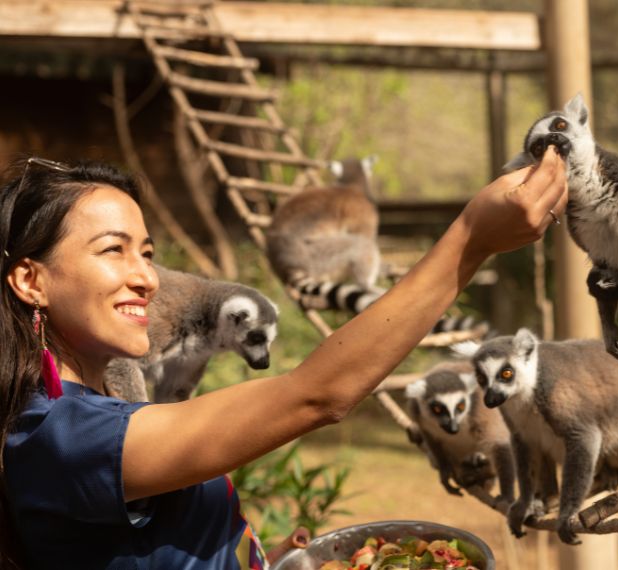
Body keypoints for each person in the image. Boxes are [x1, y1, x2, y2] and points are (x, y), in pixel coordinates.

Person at [0, 148, 567, 569]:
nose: (146, 277)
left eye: (147, 253)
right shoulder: (62, 436)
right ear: (31, 280)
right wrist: (470, 239)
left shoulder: (96, 409)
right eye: (113, 250)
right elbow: (315, 394)